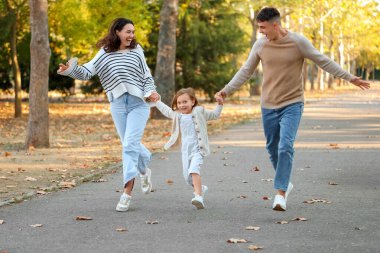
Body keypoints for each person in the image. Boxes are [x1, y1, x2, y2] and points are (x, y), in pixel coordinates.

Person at [215, 7, 370, 211]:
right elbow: (245, 71)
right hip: (268, 104)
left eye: (263, 27)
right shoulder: (260, 45)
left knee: (285, 146)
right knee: (272, 148)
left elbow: (323, 61)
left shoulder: (298, 42)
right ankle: (285, 181)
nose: (260, 31)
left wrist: (349, 77)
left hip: (293, 103)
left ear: (275, 25)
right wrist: (225, 91)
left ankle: (280, 193)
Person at [57, 18, 160, 212]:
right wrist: (70, 70)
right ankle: (144, 170)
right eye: (128, 31)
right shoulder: (105, 53)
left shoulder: (137, 51)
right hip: (118, 104)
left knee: (129, 145)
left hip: (139, 104)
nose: (131, 35)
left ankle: (126, 193)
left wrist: (151, 92)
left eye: (133, 32)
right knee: (129, 144)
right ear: (117, 32)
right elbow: (87, 71)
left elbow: (146, 76)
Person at [152, 88, 223, 209]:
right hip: (185, 150)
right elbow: (166, 110)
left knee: (194, 169)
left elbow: (215, 115)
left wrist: (220, 104)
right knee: (187, 178)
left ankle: (198, 197)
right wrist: (157, 101)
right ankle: (201, 188)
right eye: (179, 103)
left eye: (185, 102)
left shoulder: (199, 111)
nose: (182, 105)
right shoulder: (177, 115)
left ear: (193, 101)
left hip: (198, 149)